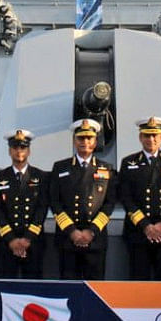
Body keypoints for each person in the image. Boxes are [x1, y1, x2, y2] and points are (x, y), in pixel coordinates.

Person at [117, 116, 161, 281]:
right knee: (139, 281)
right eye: (147, 135)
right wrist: (146, 226)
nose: (151, 139)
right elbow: (126, 197)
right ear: (140, 137)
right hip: (139, 233)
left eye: (155, 135)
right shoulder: (128, 162)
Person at [50, 119, 116, 280]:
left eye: (89, 138)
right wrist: (72, 231)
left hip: (95, 239)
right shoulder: (60, 168)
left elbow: (109, 203)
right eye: (81, 138)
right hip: (68, 238)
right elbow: (55, 202)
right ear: (74, 141)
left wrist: (91, 231)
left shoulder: (106, 169)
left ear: (95, 141)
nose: (85, 142)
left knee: (95, 289)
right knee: (69, 288)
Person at [0, 129, 49, 279]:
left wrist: (27, 239)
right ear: (9, 151)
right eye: (15, 147)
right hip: (7, 242)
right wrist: (11, 240)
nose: (19, 151)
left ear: (29, 151)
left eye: (23, 147)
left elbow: (42, 209)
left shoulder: (40, 176)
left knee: (33, 286)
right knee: (5, 285)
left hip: (33, 242)